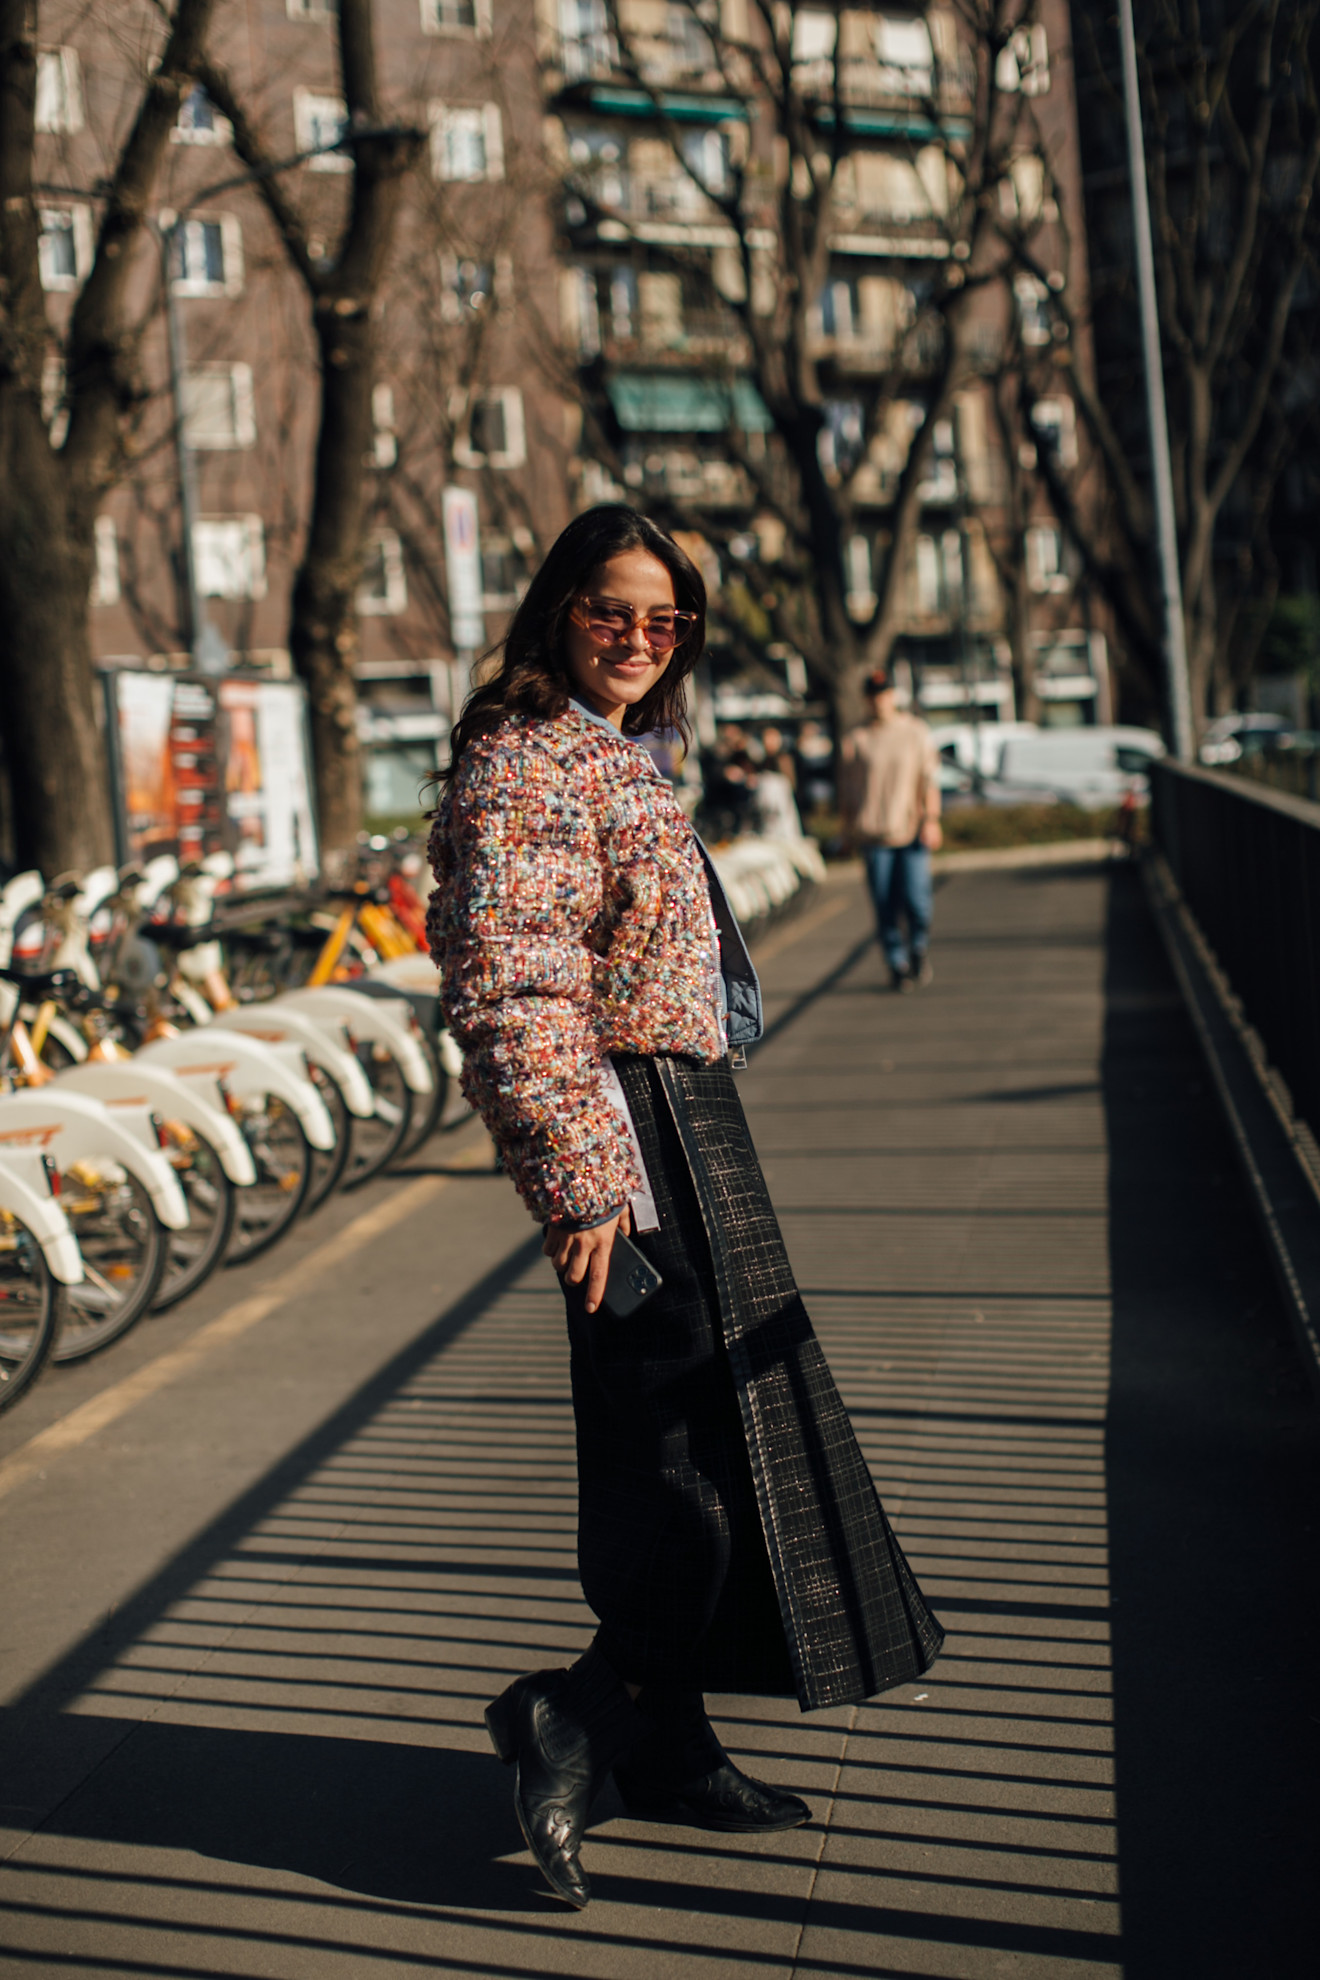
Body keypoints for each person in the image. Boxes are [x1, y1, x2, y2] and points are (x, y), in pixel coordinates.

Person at [426, 507, 942, 1911]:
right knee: (684, 1459)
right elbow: (510, 985)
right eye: (613, 612)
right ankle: (579, 1716)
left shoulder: (618, 750)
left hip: (683, 1118)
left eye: (667, 624)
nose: (641, 641)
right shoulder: (528, 759)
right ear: (556, 610)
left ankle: (670, 1745)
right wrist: (582, 1179)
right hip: (626, 1135)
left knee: (722, 1436)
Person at [839, 669, 943, 990]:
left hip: (910, 831)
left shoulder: (914, 731)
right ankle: (896, 963)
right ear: (866, 699)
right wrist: (846, 830)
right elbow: (846, 791)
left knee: (917, 901)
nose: (880, 700)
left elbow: (929, 779)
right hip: (873, 834)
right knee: (885, 905)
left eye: (885, 693)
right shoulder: (856, 738)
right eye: (873, 694)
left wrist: (932, 819)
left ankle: (918, 949)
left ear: (893, 695)